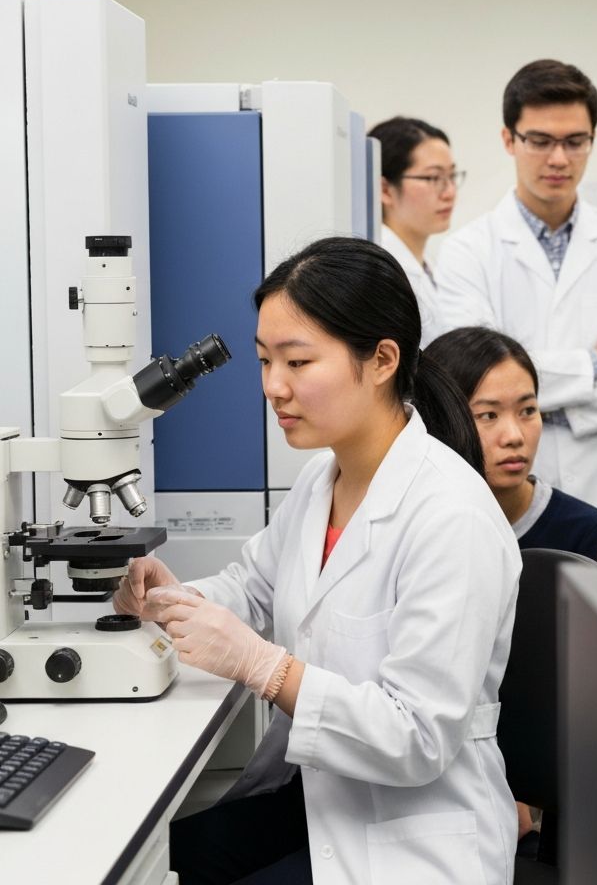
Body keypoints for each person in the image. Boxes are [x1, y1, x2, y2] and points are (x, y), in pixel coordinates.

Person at [113, 237, 521, 885]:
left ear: (382, 359)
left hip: (411, 837)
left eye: (298, 362)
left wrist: (264, 666)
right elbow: (255, 586)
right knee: (146, 859)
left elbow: (417, 738)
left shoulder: (452, 516)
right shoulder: (321, 481)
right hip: (320, 797)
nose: (273, 387)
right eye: (264, 361)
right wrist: (175, 598)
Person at [436, 60, 597, 540]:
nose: (559, 158)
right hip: (501, 504)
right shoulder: (467, 252)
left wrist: (546, 408)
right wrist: (595, 363)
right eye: (540, 141)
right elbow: (468, 381)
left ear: (592, 141)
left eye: (575, 141)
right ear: (509, 140)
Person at [425, 326, 597, 560]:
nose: (514, 437)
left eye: (528, 411)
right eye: (489, 415)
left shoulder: (590, 536)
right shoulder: (414, 526)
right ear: (437, 419)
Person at [369, 116, 465, 347]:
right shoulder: (380, 272)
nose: (450, 192)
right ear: (385, 189)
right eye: (433, 178)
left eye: (451, 176)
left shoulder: (426, 265)